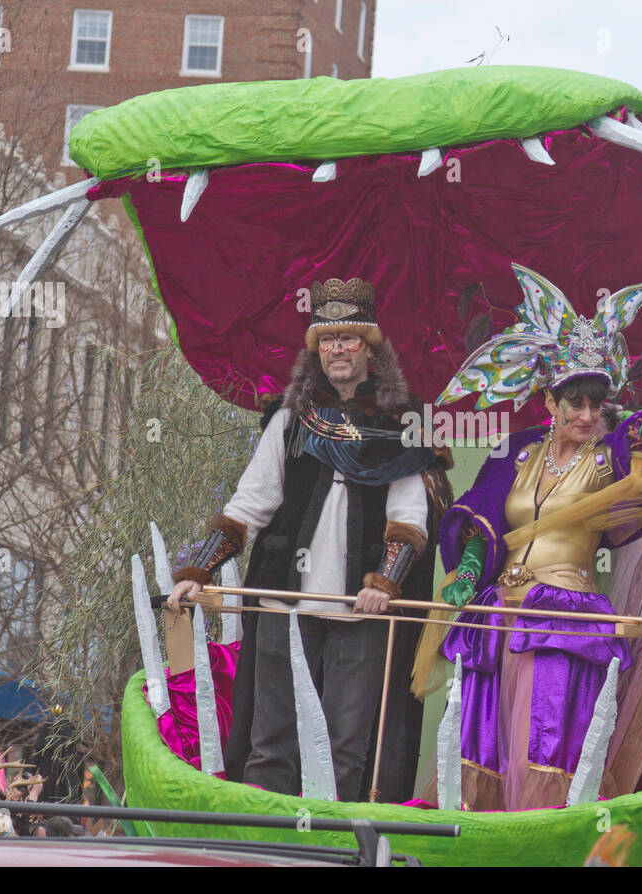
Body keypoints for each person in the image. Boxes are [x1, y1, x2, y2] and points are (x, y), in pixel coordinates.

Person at [426, 263, 642, 810]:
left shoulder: (607, 456)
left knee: (543, 746)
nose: (588, 415)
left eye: (597, 404)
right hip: (498, 614)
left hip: (564, 617)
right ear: (550, 402)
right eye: (576, 403)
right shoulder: (514, 452)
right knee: (481, 745)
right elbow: (483, 517)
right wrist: (468, 571)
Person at [168, 277, 448, 801]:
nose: (337, 349)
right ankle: (261, 852)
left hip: (359, 612)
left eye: (348, 339)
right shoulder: (290, 419)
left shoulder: (402, 422)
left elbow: (410, 520)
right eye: (327, 340)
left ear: (370, 348)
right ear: (316, 351)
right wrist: (196, 573)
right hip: (283, 606)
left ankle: (331, 853)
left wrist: (384, 583)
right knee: (271, 743)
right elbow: (248, 505)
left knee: (344, 749)